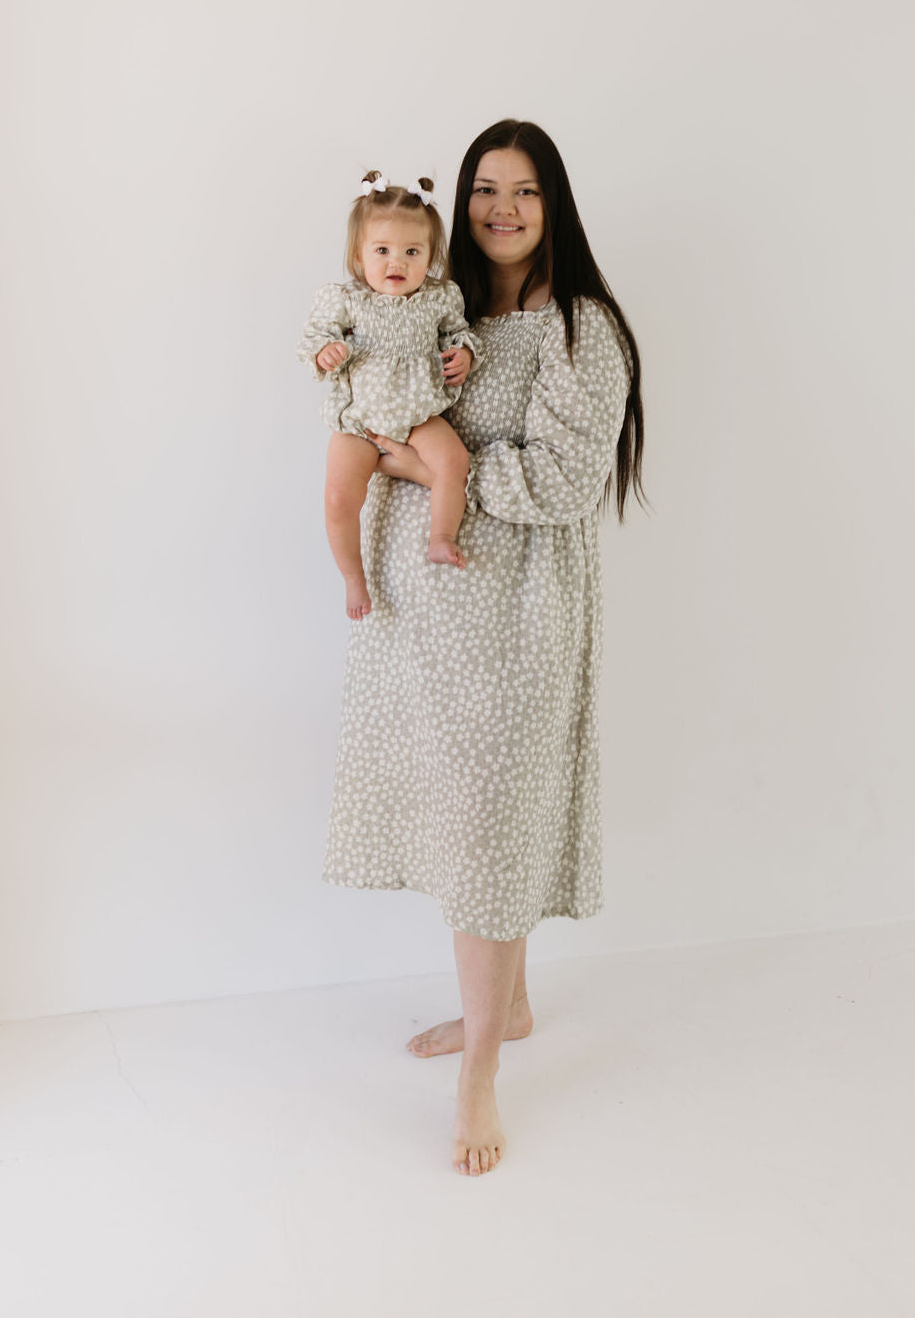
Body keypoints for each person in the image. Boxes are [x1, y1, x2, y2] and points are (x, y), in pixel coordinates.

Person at [321, 120, 645, 1175]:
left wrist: (418, 478)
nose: (501, 209)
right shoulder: (440, 309)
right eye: (484, 191)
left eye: (525, 191)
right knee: (467, 819)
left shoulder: (578, 326)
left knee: (492, 832)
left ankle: (478, 1079)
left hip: (515, 621)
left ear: (555, 205)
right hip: (428, 621)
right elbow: (364, 398)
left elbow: (559, 482)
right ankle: (507, 1007)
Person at [297, 172, 481, 619]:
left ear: (430, 257)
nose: (396, 262)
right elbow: (312, 339)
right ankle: (353, 579)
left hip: (421, 412)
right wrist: (326, 353)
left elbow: (460, 333)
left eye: (412, 252)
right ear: (359, 257)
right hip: (360, 420)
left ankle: (441, 537)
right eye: (382, 250)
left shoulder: (438, 298)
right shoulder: (346, 300)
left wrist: (464, 355)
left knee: (455, 463)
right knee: (339, 496)